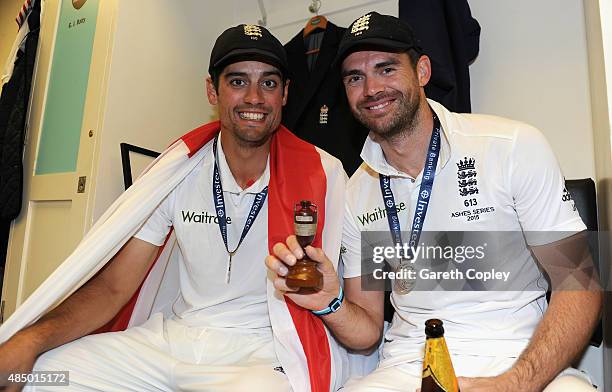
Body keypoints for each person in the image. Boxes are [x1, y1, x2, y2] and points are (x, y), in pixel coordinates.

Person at [0, 24, 348, 392]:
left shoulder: (323, 173)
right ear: (212, 90)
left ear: (285, 94)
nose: (254, 97)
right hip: (174, 340)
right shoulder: (181, 168)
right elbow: (114, 288)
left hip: (259, 351)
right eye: (237, 81)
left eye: (269, 83)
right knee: (42, 373)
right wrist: (31, 340)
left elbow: (349, 291)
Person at [267, 12, 602, 392]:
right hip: (410, 363)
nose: (372, 88)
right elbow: (367, 331)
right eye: (355, 78)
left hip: (516, 357)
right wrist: (329, 300)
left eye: (387, 68)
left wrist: (515, 383)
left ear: (422, 70)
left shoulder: (511, 147)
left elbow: (581, 282)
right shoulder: (358, 189)